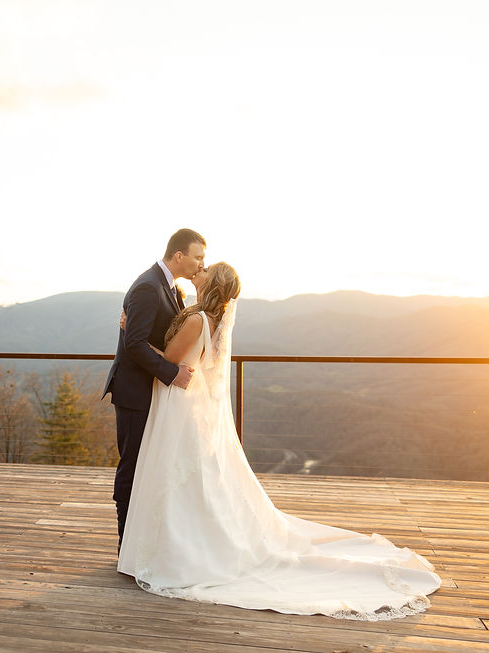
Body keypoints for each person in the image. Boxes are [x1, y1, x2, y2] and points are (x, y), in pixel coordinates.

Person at [117, 263, 442, 620]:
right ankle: (182, 544)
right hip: (192, 407)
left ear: (212, 285)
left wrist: (137, 336)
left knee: (177, 478)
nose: (201, 270)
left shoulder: (197, 321)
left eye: (207, 270)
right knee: (192, 482)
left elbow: (173, 360)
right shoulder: (210, 320)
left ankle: (179, 552)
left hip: (179, 405)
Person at [103, 228, 206, 547]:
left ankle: (144, 540)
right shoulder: (148, 287)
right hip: (134, 391)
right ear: (179, 256)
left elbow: (156, 334)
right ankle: (125, 545)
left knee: (151, 464)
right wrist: (172, 372)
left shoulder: (172, 288)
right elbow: (134, 344)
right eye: (198, 256)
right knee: (132, 465)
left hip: (154, 391)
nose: (201, 263)